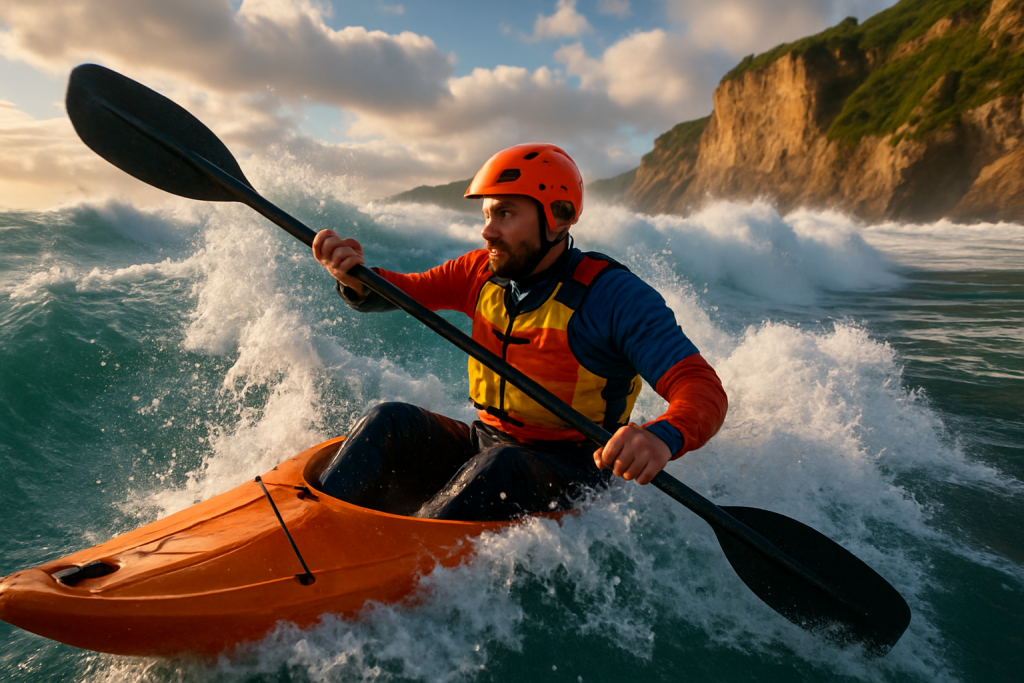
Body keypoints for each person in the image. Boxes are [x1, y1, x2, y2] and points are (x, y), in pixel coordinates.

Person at [312, 143, 727, 521]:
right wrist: (355, 279)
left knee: (501, 465)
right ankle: (316, 523)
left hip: (574, 469)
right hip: (486, 444)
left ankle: (405, 551)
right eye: (487, 215)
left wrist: (660, 436)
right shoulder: (479, 272)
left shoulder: (612, 297)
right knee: (389, 419)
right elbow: (407, 290)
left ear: (557, 217)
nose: (488, 230)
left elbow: (701, 388)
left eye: (505, 214)